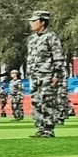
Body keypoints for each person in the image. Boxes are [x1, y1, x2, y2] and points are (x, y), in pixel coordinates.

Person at [25, 10, 65, 138]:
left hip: (47, 74)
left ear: (42, 22)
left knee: (47, 102)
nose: (31, 23)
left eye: (34, 21)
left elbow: (58, 57)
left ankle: (48, 129)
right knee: (36, 102)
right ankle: (40, 128)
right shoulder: (32, 39)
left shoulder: (51, 37)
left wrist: (57, 75)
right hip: (34, 75)